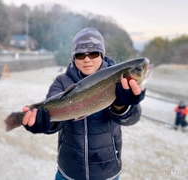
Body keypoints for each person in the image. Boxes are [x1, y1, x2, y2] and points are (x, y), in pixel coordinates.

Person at [21, 27, 146, 180]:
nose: (87, 59)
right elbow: (53, 120)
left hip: (107, 171)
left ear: (102, 54)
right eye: (80, 55)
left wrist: (121, 105)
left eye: (93, 53)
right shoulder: (61, 81)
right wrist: (42, 122)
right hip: (68, 171)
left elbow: (132, 118)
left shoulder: (120, 81)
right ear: (73, 57)